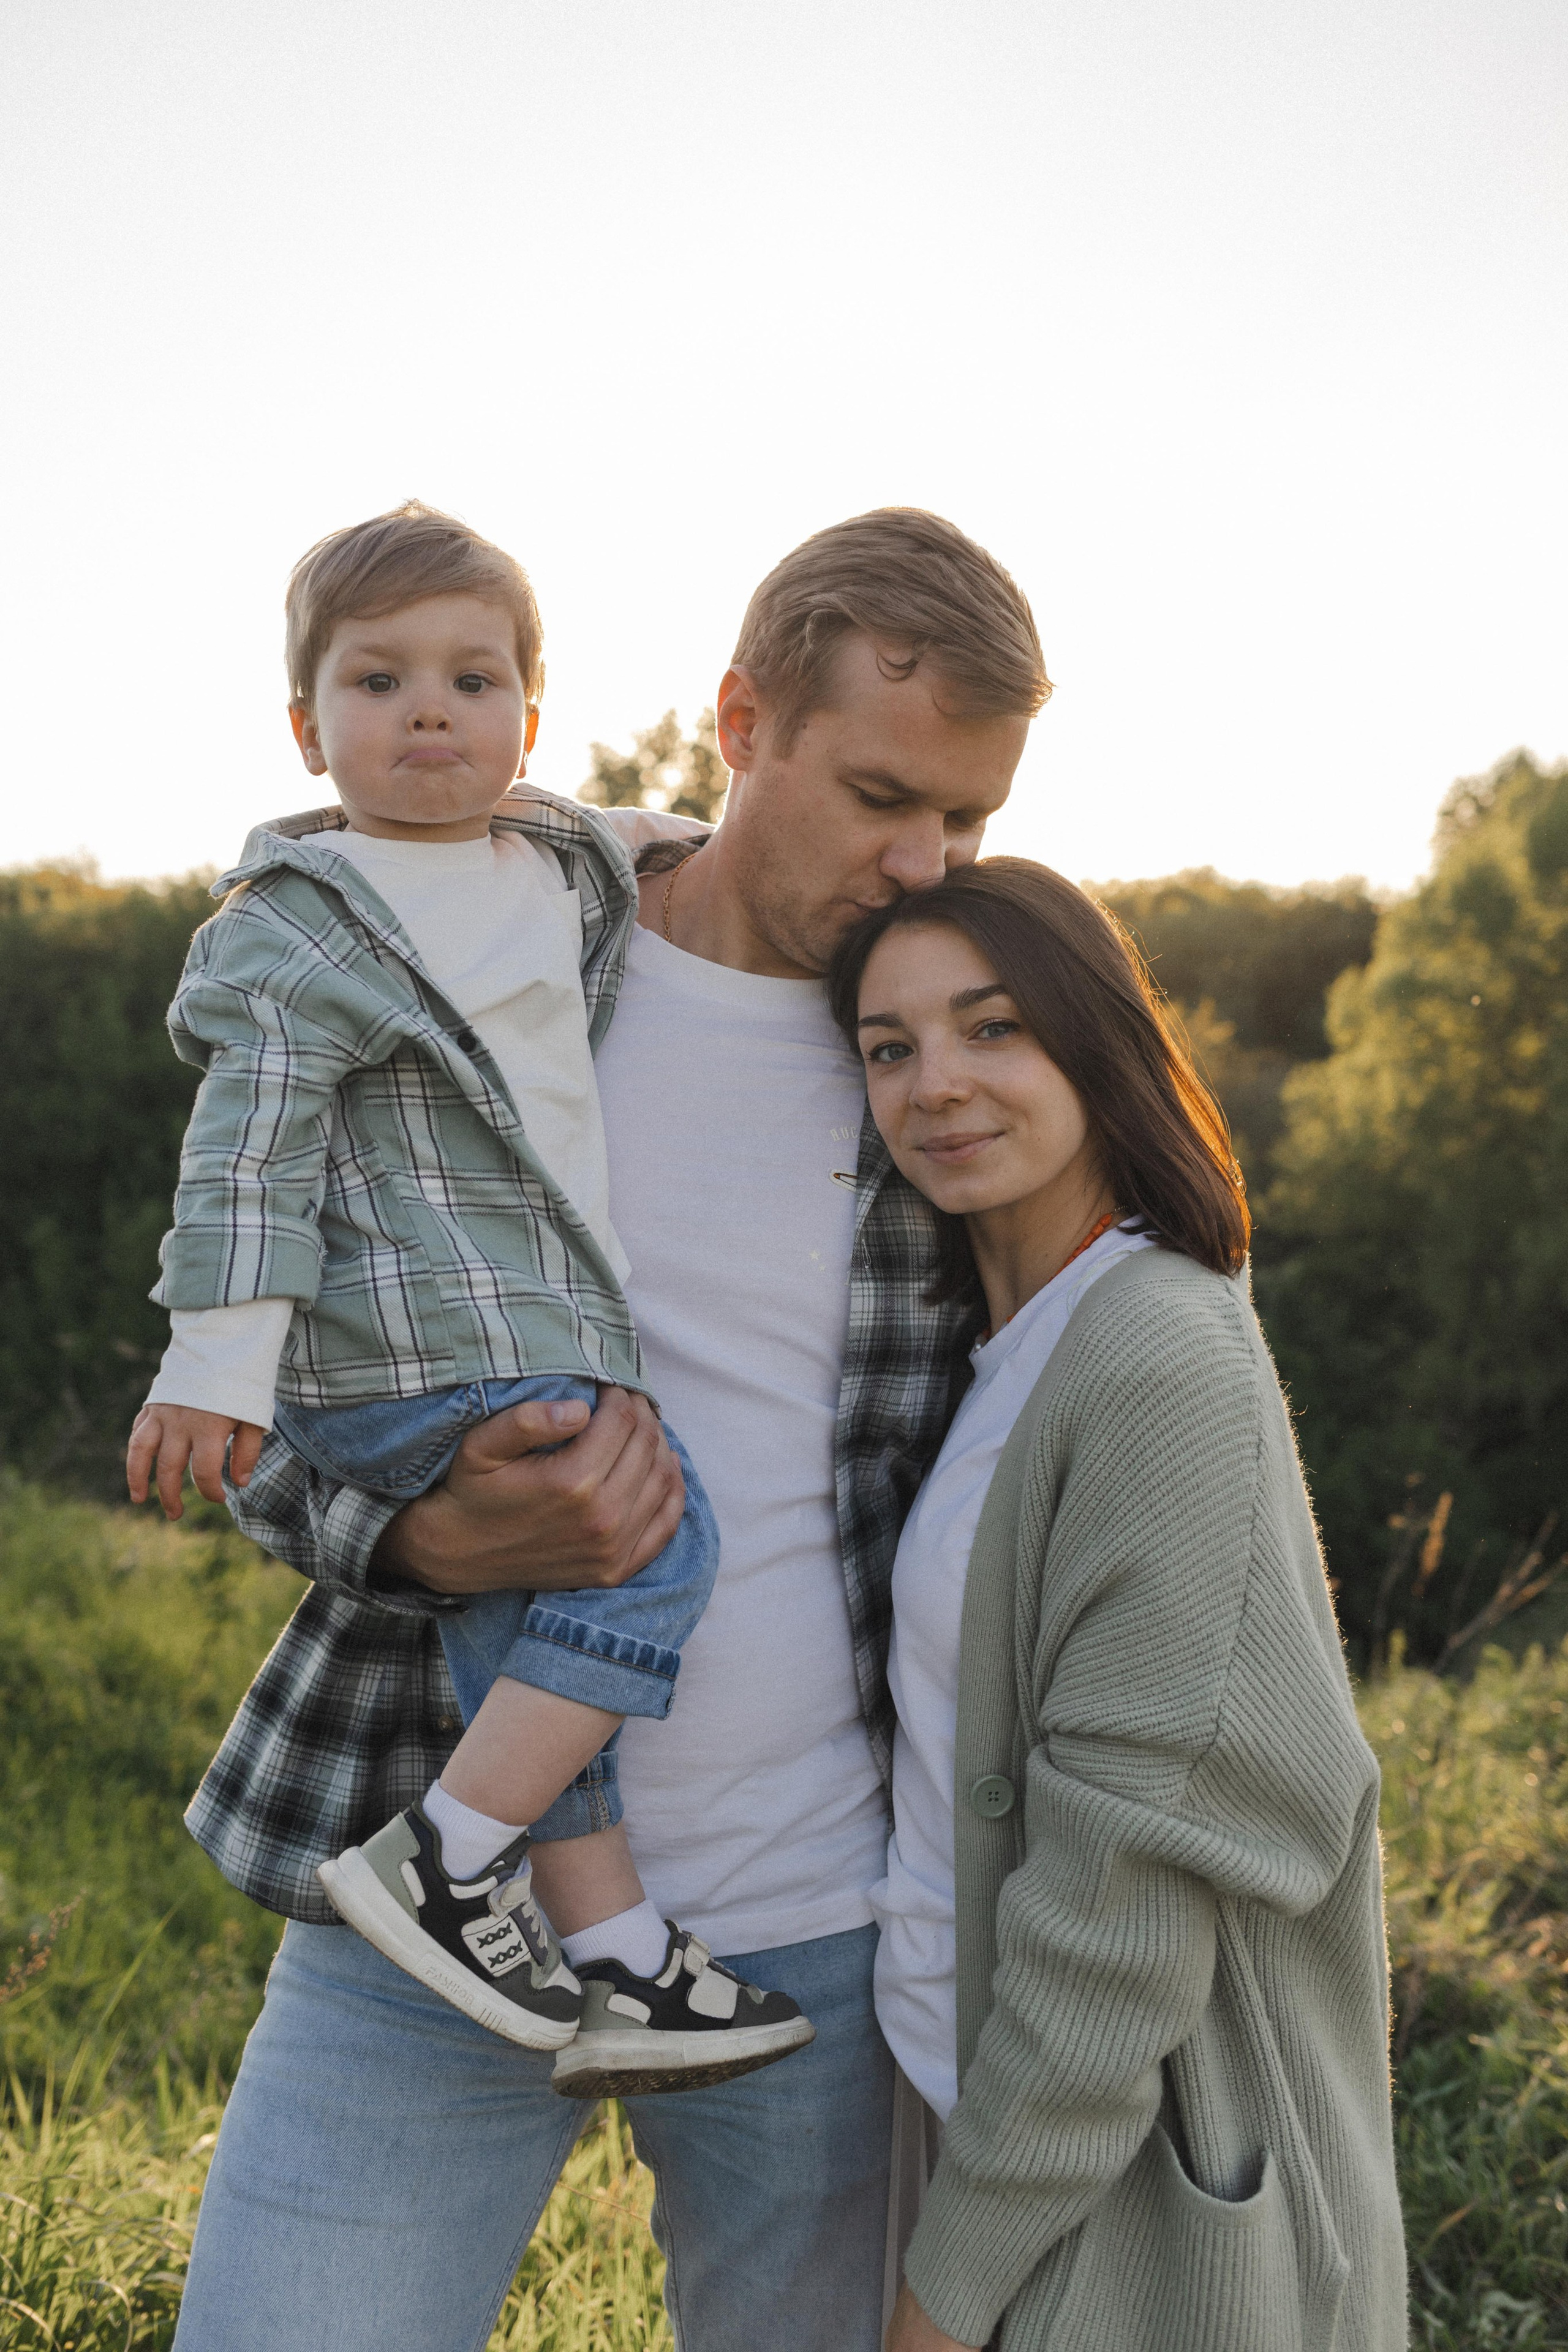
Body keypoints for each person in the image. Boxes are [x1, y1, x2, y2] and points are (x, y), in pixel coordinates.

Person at [168, 507, 1052, 2352]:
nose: (924, 864)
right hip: (434, 1896)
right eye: (885, 794)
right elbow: (251, 1371)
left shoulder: (954, 1056)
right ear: (741, 719)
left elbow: (1088, 1396)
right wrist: (409, 1536)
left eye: (965, 819)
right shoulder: (479, 963)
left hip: (808, 1929)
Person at [128, 501, 810, 2092]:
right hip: (415, 1342)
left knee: (533, 1610)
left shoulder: (552, 857)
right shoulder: (300, 934)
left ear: (526, 712)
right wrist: (215, 1367)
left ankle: (616, 1952)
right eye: (379, 682)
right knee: (652, 1542)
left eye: (472, 677)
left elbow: (630, 831)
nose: (430, 709)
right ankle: (437, 1859)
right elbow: (248, 1161)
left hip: (505, 1324)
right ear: (309, 727)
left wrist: (704, 849)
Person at [826, 859, 1407, 2352]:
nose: (933, 1083)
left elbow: (1118, 1920)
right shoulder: (1003, 1347)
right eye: (889, 1048)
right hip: (980, 2134)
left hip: (1125, 2199)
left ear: (1094, 1041)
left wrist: (938, 2302)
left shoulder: (1149, 1360)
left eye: (991, 1028)